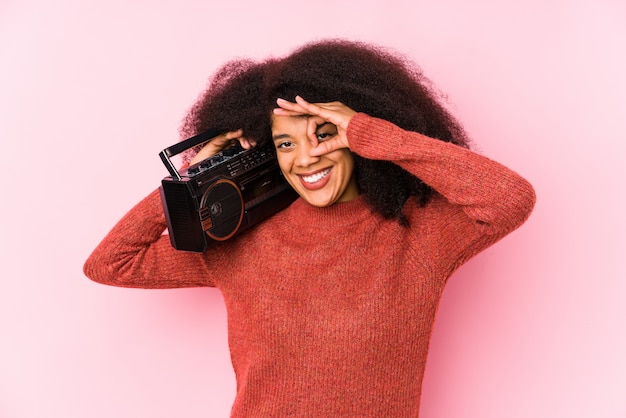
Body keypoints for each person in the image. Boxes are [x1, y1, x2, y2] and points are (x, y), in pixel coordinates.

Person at [84, 39, 536, 417]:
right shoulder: (240, 239)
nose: (305, 158)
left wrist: (374, 135)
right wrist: (193, 181)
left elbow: (510, 199)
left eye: (324, 134)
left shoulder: (418, 235)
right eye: (286, 142)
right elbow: (110, 264)